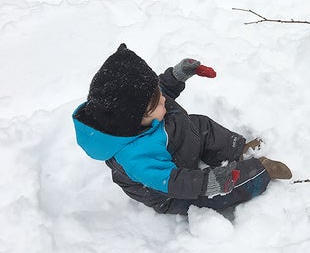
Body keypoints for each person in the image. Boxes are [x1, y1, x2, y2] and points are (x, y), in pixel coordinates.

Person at [72, 44, 291, 215]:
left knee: (201, 125)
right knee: (211, 194)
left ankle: (237, 150)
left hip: (177, 147)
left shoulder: (142, 105)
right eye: (156, 103)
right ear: (134, 120)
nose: (163, 100)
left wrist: (178, 75)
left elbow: (160, 90)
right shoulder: (135, 157)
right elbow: (175, 182)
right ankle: (259, 172)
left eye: (158, 95)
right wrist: (208, 182)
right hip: (170, 191)